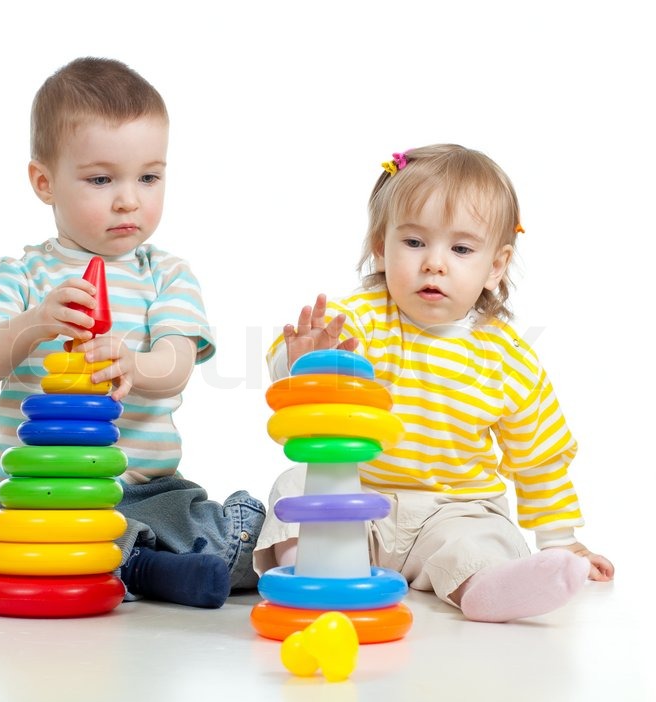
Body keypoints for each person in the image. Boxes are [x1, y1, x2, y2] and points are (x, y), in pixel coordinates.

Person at [0, 57, 264, 609]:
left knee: (246, 524)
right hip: (38, 500)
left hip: (145, 492)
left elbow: (177, 363)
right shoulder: (22, 274)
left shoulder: (166, 274)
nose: (129, 199)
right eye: (101, 179)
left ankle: (127, 557)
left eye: (149, 177)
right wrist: (31, 324)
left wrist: (136, 367)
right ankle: (141, 564)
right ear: (44, 182)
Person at [254, 144, 614, 623]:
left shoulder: (509, 359)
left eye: (461, 249)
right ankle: (310, 571)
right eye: (415, 242)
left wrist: (561, 539)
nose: (434, 263)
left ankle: (486, 588)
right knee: (296, 484)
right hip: (362, 500)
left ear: (496, 266)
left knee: (481, 539)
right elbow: (297, 378)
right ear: (381, 246)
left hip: (455, 510)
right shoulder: (360, 320)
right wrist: (305, 358)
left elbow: (540, 458)